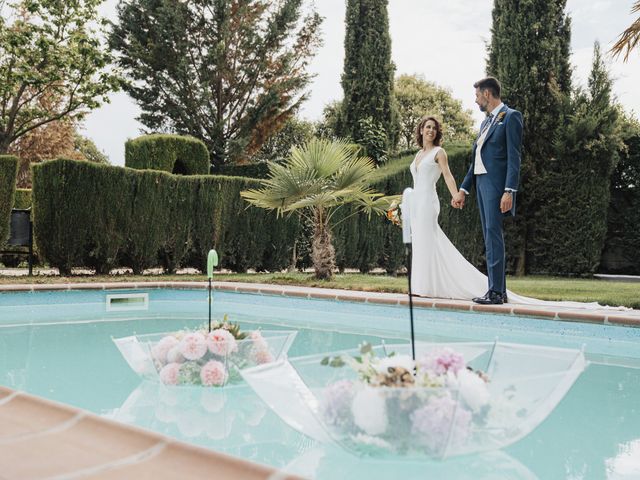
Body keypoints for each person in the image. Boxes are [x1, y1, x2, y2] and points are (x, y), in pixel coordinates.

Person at [452, 77, 522, 305]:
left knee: (494, 236)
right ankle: (496, 290)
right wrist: (463, 189)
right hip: (481, 185)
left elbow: (514, 157)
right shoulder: (485, 123)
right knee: (489, 237)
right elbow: (476, 161)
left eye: (477, 96)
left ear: (488, 94)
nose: (476, 101)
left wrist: (509, 190)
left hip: (496, 186)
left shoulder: (510, 117)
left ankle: (496, 292)